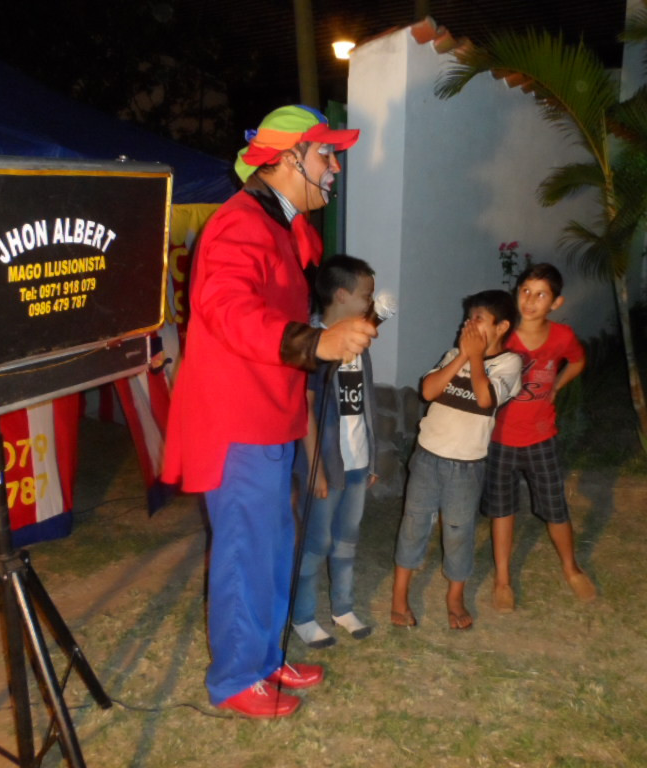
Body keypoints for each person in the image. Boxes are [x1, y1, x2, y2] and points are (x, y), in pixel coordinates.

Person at [162, 105, 375, 718]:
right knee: (245, 550)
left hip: (270, 414)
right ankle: (236, 678)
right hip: (237, 420)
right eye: (325, 153)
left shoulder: (278, 224)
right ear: (286, 159)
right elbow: (229, 309)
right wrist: (317, 343)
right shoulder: (239, 224)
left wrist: (328, 336)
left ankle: (262, 657)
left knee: (275, 545)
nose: (334, 167)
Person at [390, 290, 522, 630]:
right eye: (468, 318)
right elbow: (428, 391)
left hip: (466, 465)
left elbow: (485, 399)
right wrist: (463, 355)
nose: (469, 324)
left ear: (502, 326)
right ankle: (399, 595)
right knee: (413, 524)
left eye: (479, 318)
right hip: (427, 457)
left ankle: (455, 597)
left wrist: (475, 358)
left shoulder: (509, 364)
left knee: (459, 532)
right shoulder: (454, 354)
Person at [482, 263, 596, 612]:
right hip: (500, 438)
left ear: (556, 303)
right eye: (525, 291)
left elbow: (577, 361)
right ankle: (503, 580)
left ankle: (571, 568)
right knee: (503, 511)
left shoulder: (562, 336)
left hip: (541, 437)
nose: (530, 301)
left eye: (541, 295)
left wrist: (557, 386)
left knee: (556, 508)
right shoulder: (503, 334)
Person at [292, 255, 379, 649]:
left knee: (348, 538)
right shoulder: (314, 345)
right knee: (316, 543)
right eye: (366, 295)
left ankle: (343, 607)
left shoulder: (359, 345)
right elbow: (305, 409)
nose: (370, 303)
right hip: (325, 464)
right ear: (342, 295)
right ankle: (303, 615)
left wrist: (371, 458)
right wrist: (316, 469)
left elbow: (364, 404)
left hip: (356, 461)